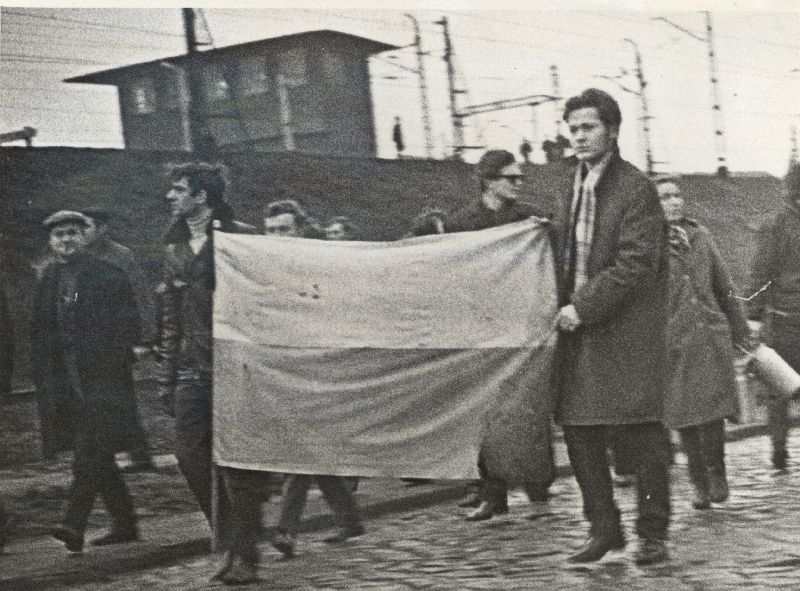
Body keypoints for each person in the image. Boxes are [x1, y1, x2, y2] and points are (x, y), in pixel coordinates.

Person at [550, 88, 670, 565]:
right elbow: (564, 248)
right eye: (573, 128)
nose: (579, 136)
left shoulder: (635, 188)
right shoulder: (569, 185)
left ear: (613, 131)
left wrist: (583, 305)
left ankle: (653, 531)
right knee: (580, 435)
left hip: (624, 335)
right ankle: (604, 529)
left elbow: (637, 263)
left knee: (642, 437)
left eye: (589, 127)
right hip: (579, 336)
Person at [156, 163, 271, 585]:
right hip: (191, 369)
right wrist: (166, 378)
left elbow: (263, 303)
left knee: (237, 465)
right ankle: (231, 540)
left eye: (179, 189)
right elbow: (171, 318)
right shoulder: (173, 248)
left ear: (201, 196)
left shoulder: (240, 237)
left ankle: (244, 553)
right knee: (189, 457)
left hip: (235, 364)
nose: (170, 197)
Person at [445, 149, 554, 521]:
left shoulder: (529, 219)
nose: (519, 184)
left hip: (523, 327)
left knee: (527, 408)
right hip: (484, 328)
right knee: (486, 412)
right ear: (489, 181)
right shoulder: (462, 223)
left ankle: (537, 480)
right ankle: (493, 494)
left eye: (520, 178)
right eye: (511, 178)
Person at [32, 211, 141, 555]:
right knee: (99, 454)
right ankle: (125, 524)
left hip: (102, 378)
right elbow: (38, 329)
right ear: (50, 242)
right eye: (58, 235)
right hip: (65, 378)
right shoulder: (48, 278)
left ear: (85, 236)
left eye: (72, 233)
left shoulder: (108, 275)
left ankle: (73, 524)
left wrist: (109, 358)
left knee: (89, 452)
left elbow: (129, 324)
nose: (66, 240)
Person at [266, 206, 365, 559]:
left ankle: (286, 530)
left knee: (301, 450)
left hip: (322, 368)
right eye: (271, 231)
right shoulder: (270, 270)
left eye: (284, 229)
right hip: (287, 367)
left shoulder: (322, 265)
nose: (277, 237)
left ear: (301, 230)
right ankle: (349, 518)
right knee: (311, 453)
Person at [657, 177, 751, 509]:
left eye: (676, 195)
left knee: (711, 412)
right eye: (665, 197)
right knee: (684, 417)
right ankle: (698, 482)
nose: (674, 202)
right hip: (673, 342)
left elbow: (723, 286)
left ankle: (717, 474)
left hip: (709, 337)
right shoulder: (647, 245)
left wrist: (740, 330)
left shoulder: (701, 236)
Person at [81, 207, 156, 472]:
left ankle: (139, 454)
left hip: (117, 341)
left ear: (102, 229)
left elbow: (141, 297)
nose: (82, 232)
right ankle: (106, 455)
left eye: (87, 226)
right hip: (89, 342)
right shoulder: (78, 257)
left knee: (122, 397)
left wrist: (144, 339)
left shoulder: (120, 256)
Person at [749, 163, 800, 471]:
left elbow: (758, 274)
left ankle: (778, 450)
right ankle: (779, 450)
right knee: (778, 389)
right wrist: (753, 316)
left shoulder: (774, 224)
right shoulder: (776, 226)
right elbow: (760, 273)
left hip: (783, 317)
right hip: (784, 320)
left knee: (777, 391)